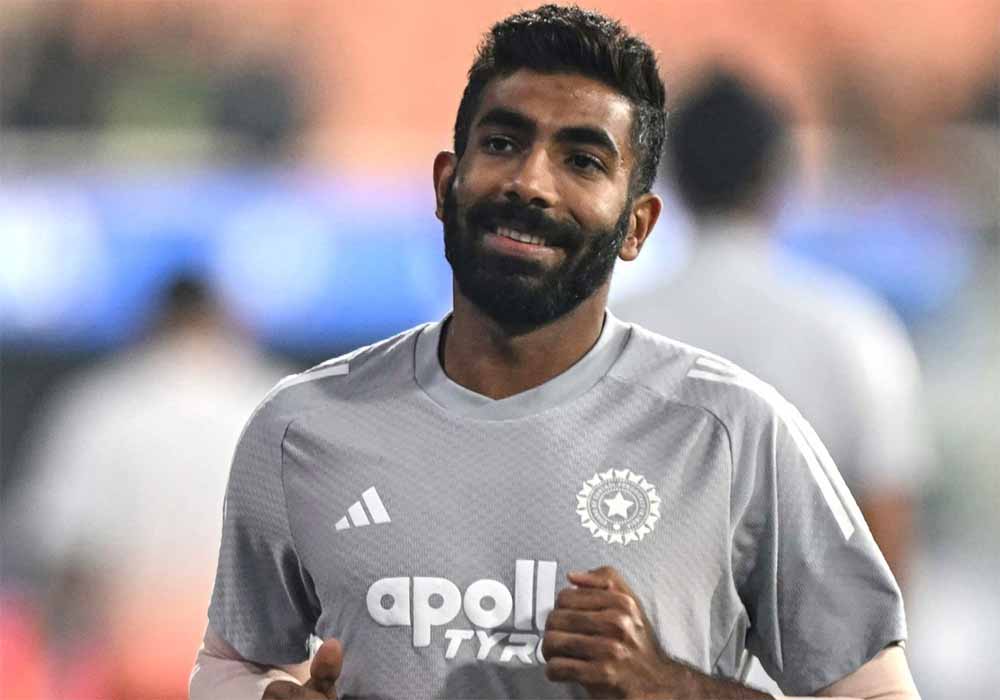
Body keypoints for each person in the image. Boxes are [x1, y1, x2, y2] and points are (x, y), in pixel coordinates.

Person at [190, 6, 919, 699]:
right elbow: (230, 664)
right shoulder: (302, 427)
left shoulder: (736, 433)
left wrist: (671, 687)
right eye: (502, 143)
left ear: (637, 227)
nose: (530, 182)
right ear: (446, 184)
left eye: (583, 161)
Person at [613, 72, 931, 587]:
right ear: (778, 177)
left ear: (670, 179)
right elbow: (887, 536)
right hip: (806, 633)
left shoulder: (612, 330)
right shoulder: (853, 330)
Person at [8, 275, 288, 700]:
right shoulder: (278, 401)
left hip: (135, 672)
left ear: (149, 326)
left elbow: (61, 556)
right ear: (228, 323)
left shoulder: (102, 406)